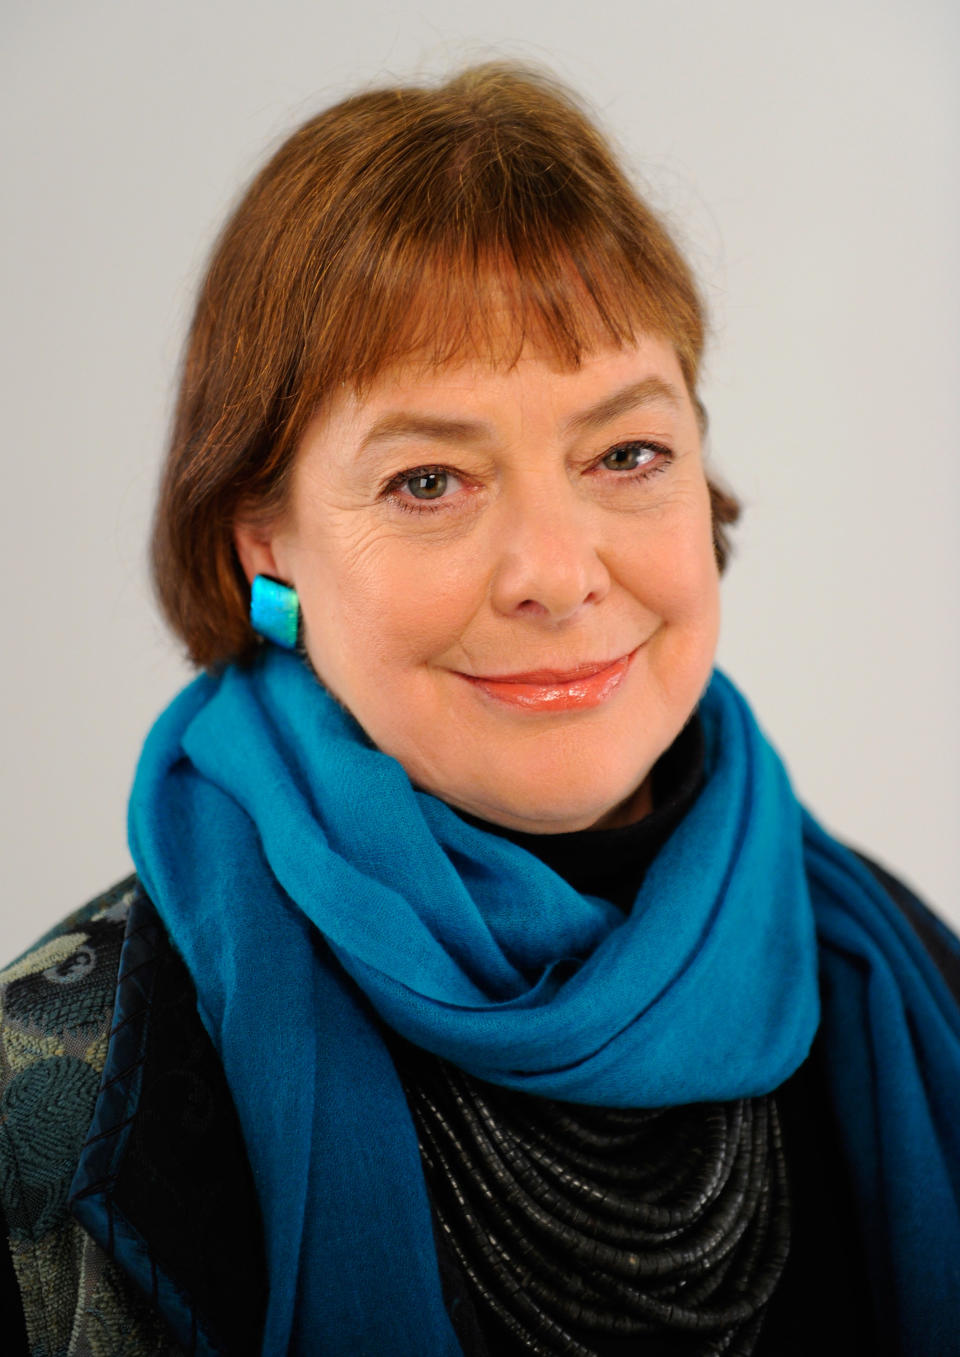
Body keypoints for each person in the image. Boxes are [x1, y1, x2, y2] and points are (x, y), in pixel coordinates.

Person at [1, 62, 958, 1357]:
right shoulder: (47, 1106)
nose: (558, 574)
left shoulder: (914, 985)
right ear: (264, 544)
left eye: (626, 454)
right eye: (431, 479)